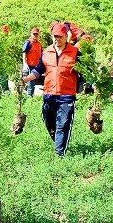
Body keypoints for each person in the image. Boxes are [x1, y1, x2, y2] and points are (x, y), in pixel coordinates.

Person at [23, 23, 80, 156]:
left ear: (66, 36)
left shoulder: (75, 53)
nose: (57, 39)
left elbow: (86, 69)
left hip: (66, 96)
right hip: (49, 94)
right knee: (48, 122)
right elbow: (38, 71)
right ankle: (58, 140)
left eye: (60, 36)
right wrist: (24, 80)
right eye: (55, 36)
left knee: (63, 124)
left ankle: (59, 154)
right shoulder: (46, 52)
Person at [22, 27, 42, 97]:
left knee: (33, 82)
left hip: (37, 66)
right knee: (31, 82)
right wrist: (25, 63)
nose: (35, 35)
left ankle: (30, 96)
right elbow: (24, 52)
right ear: (31, 34)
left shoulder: (39, 44)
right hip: (30, 66)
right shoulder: (28, 42)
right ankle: (29, 97)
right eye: (34, 34)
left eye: (37, 34)